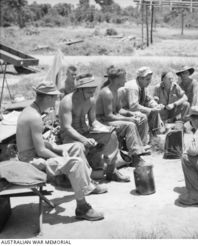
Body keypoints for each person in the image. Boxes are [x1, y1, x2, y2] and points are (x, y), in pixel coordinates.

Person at [16, 82, 107, 221]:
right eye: (54, 97)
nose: (56, 100)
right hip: (31, 161)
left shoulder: (32, 111)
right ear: (47, 98)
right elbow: (40, 151)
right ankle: (82, 207)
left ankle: (86, 184)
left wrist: (55, 148)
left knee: (76, 146)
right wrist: (61, 156)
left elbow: (38, 143)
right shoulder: (34, 117)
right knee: (75, 163)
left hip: (34, 152)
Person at [59, 73, 130, 182]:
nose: (92, 94)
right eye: (89, 91)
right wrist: (83, 139)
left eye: (93, 90)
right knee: (79, 146)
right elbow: (67, 127)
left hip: (85, 132)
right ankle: (86, 181)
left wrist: (106, 129)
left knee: (112, 135)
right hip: (69, 137)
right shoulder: (67, 101)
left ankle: (112, 171)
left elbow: (93, 122)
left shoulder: (91, 100)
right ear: (80, 89)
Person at [96, 65, 149, 167]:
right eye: (124, 77)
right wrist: (128, 118)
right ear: (116, 79)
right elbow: (109, 116)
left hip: (109, 118)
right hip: (102, 122)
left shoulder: (115, 91)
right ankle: (135, 157)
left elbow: (119, 109)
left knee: (140, 118)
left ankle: (138, 149)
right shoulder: (107, 93)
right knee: (130, 125)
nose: (126, 80)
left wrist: (131, 113)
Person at [119, 66, 165, 136]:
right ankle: (143, 139)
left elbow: (148, 100)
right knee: (143, 116)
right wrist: (151, 109)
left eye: (150, 79)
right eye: (147, 79)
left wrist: (156, 106)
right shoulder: (133, 87)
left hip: (128, 110)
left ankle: (155, 133)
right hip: (120, 111)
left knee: (153, 112)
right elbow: (134, 106)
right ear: (140, 79)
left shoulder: (143, 86)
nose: (149, 82)